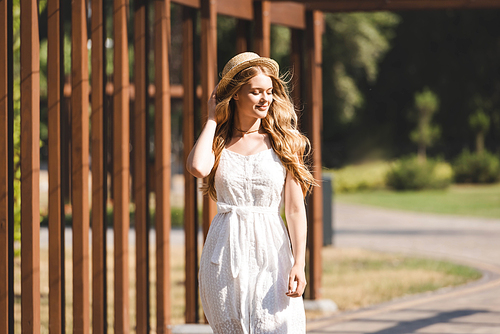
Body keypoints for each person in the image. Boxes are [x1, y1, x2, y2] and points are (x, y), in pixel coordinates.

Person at [186, 52, 316, 334]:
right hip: (224, 250)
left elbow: (294, 209)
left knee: (275, 325)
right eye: (256, 91)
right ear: (235, 95)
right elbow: (198, 167)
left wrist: (299, 263)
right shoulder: (218, 142)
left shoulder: (284, 142)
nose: (265, 99)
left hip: (272, 249)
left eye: (269, 91)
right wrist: (211, 118)